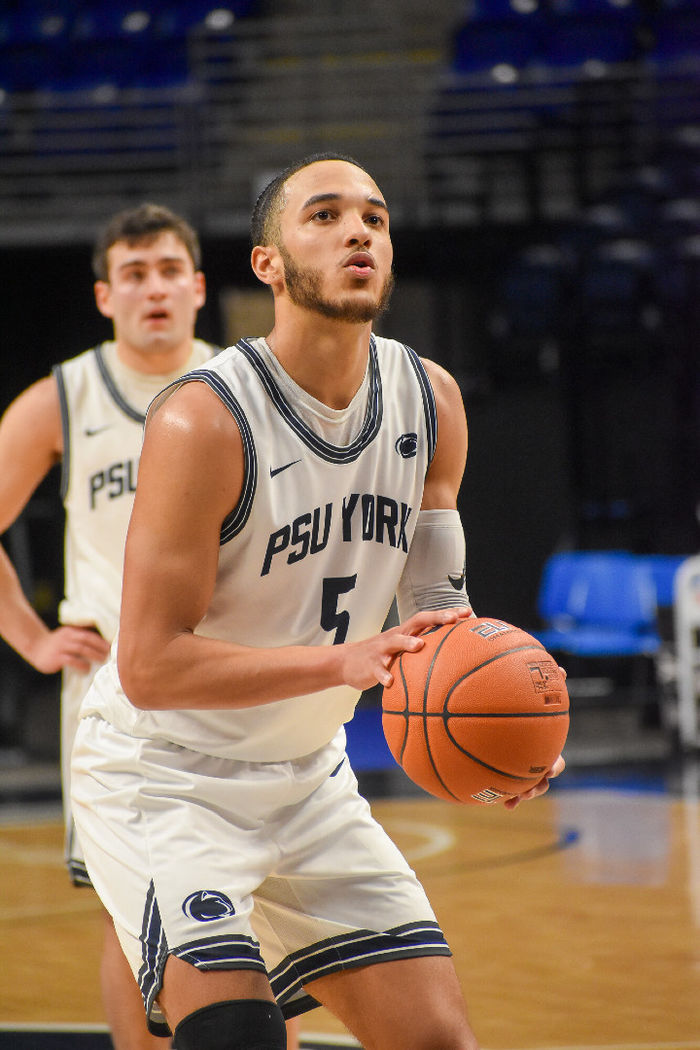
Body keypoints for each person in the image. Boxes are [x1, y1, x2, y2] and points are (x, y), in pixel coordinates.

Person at [71, 154, 565, 1050]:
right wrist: (340, 663)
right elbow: (147, 668)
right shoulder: (204, 418)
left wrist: (512, 735)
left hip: (307, 777)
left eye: (374, 218)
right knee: (237, 1035)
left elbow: (439, 613)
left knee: (438, 1043)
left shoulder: (431, 399)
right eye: (327, 215)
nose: (358, 233)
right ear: (269, 263)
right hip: (166, 776)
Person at [0, 203, 217, 1050]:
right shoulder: (67, 394)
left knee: (259, 903)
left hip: (221, 677)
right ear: (104, 296)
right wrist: (30, 639)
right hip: (114, 696)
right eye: (134, 275)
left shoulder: (243, 382)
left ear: (199, 288)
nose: (153, 289)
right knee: (132, 910)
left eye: (169, 271)